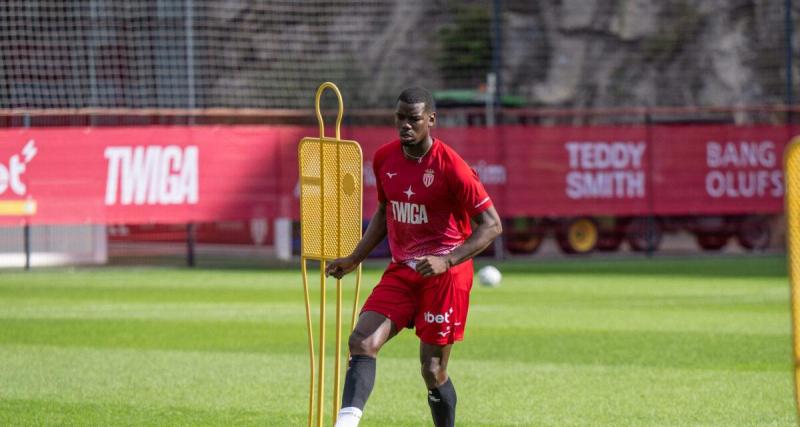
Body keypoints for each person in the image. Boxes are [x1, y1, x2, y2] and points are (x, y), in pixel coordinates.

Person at [326, 87, 502, 427]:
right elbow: (385, 210)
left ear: (431, 120)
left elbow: (492, 225)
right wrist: (354, 258)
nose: (405, 125)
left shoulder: (453, 167)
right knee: (362, 341)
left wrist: (447, 260)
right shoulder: (384, 158)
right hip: (403, 270)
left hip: (445, 277)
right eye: (400, 118)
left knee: (432, 370)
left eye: (414, 119)